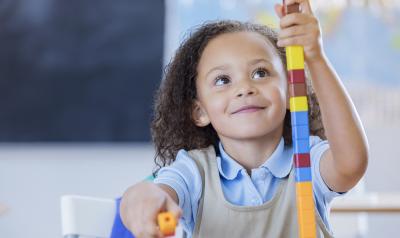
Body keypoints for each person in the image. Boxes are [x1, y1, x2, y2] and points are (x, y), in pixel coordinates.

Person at [120, 0, 369, 237]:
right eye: (222, 80)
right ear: (200, 111)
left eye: (260, 73)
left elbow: (351, 164)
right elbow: (148, 193)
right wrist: (144, 199)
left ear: (292, 90)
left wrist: (315, 57)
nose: (245, 88)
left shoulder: (308, 160)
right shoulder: (193, 172)